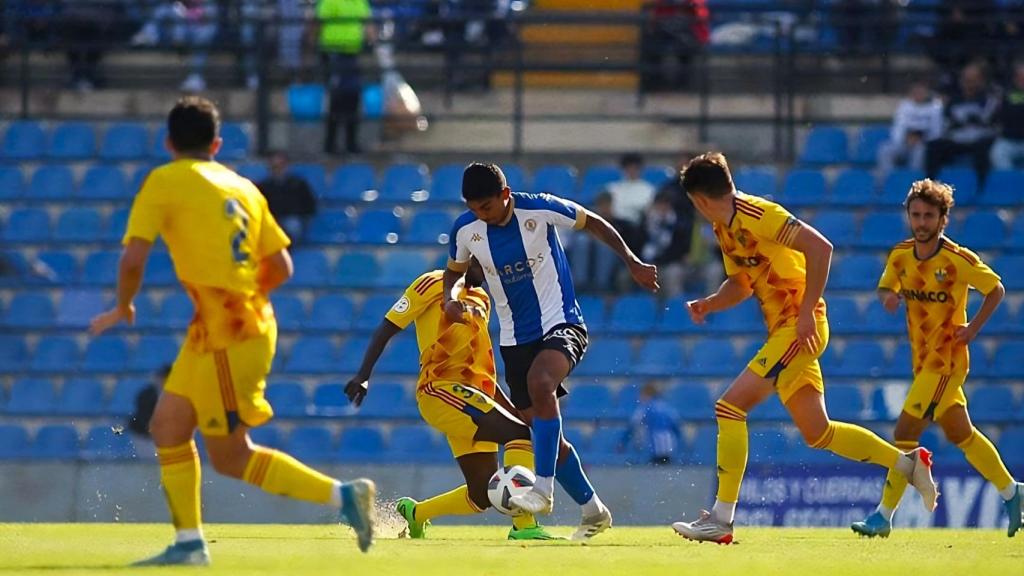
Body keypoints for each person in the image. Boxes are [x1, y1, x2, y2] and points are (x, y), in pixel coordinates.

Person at [88, 96, 375, 566]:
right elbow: (281, 265)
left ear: (168, 142)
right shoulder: (243, 187)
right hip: (222, 328)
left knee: (229, 456)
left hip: (229, 334)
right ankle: (188, 544)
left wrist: (123, 306)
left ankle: (343, 496)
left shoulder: (164, 179)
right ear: (217, 144)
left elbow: (133, 257)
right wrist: (237, 294)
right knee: (168, 426)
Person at [669, 152, 938, 545]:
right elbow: (743, 284)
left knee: (729, 407)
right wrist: (710, 303)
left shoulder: (760, 214)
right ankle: (907, 464)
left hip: (798, 329)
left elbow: (821, 248)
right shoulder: (724, 229)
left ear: (701, 199)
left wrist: (808, 312)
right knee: (819, 432)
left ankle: (722, 519)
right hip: (786, 331)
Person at [443, 163, 660, 538]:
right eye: (475, 209)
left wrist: (632, 261)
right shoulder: (466, 230)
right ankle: (593, 511)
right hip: (514, 339)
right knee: (546, 437)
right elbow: (454, 271)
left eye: (488, 207)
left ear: (505, 195)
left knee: (541, 384)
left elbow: (592, 221)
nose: (482, 215)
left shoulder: (539, 209)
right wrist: (450, 297)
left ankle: (541, 488)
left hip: (562, 322)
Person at [851, 179, 1022, 539]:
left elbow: (996, 289)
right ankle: (1013, 492)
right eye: (916, 215)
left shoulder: (957, 259)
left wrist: (972, 328)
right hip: (922, 360)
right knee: (962, 434)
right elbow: (887, 285)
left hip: (946, 361)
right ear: (908, 216)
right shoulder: (900, 254)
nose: (921, 222)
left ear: (943, 218)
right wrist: (888, 297)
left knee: (904, 432)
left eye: (929, 215)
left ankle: (883, 516)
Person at [344, 259, 558, 541]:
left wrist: (512, 409)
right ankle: (524, 526)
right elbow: (388, 326)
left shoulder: (482, 297)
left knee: (481, 494)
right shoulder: (430, 283)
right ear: (468, 258)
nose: (492, 274)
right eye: (487, 266)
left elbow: (482, 368)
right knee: (519, 434)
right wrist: (363, 374)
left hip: (475, 399)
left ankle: (416, 514)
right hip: (440, 390)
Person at [925, 62, 1000, 182]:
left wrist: (967, 120)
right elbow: (948, 122)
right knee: (934, 146)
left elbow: (987, 120)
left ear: (981, 80)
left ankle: (981, 187)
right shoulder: (953, 100)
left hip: (980, 139)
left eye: (973, 79)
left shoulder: (989, 99)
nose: (968, 82)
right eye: (966, 79)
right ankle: (931, 184)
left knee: (983, 148)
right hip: (959, 139)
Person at [316, 0, 373, 155]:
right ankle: (330, 144)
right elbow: (317, 24)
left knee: (353, 97)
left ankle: (351, 143)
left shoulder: (360, 2)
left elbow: (367, 24)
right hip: (333, 53)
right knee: (336, 99)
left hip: (352, 54)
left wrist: (372, 41)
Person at [877, 80, 944, 179]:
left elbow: (937, 132)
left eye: (921, 92)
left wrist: (921, 139)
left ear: (927, 93)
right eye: (916, 92)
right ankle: (888, 181)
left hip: (923, 144)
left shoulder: (935, 107)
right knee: (885, 150)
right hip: (904, 143)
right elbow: (898, 128)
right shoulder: (904, 106)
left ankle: (912, 183)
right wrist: (905, 139)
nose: (918, 95)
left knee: (919, 152)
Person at [256, 151, 317, 243]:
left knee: (293, 226)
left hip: (293, 218)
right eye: (274, 167)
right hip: (272, 219)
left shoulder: (299, 184)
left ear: (286, 166)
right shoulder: (264, 186)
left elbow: (310, 204)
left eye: (280, 166)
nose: (278, 170)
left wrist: (302, 215)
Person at [618, 384, 682, 465]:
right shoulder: (667, 407)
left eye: (640, 395)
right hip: (670, 448)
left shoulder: (645, 407)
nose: (639, 398)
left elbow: (632, 426)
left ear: (646, 395)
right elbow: (676, 425)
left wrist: (623, 442)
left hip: (655, 450)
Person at [991, 62, 1024, 170]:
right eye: (1019, 77)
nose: (1022, 80)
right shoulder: (1005, 94)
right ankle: (1011, 183)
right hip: (1008, 140)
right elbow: (997, 116)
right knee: (997, 153)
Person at [127, 364, 171, 438]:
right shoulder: (146, 395)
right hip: (142, 433)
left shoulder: (177, 396)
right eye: (162, 378)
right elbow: (144, 415)